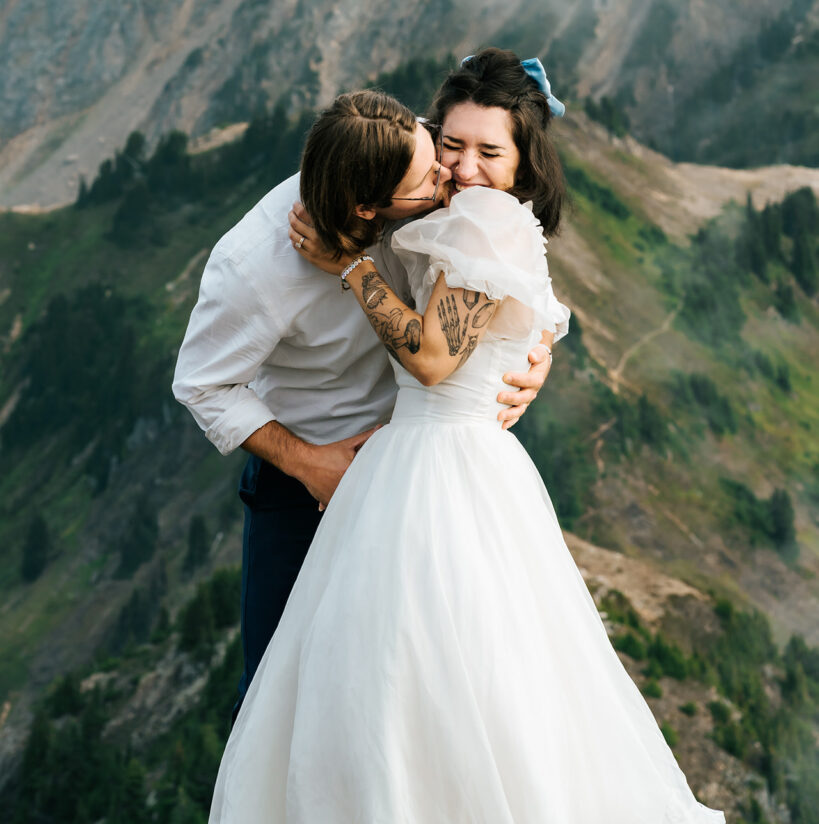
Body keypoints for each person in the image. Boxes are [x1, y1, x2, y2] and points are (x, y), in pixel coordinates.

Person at [208, 49, 725, 822]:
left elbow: (433, 361)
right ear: (423, 138)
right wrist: (531, 344)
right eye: (450, 147)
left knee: (390, 681)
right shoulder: (391, 185)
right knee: (432, 681)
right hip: (370, 467)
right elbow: (530, 309)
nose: (464, 168)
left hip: (434, 466)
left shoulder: (481, 219)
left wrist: (350, 267)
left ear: (522, 162)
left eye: (490, 153)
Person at [172, 89, 554, 717]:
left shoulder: (415, 159)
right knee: (279, 696)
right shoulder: (254, 265)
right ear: (367, 207)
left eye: (437, 153)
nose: (450, 175)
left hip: (423, 474)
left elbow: (501, 263)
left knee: (420, 692)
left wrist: (534, 351)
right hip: (305, 488)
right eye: (431, 173)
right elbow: (202, 384)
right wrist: (307, 463)